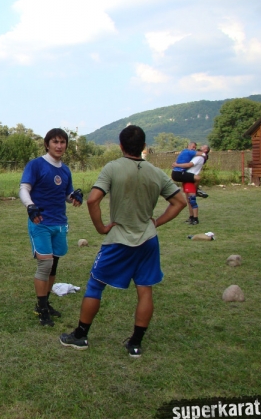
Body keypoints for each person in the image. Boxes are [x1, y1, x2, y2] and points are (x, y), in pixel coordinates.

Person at [60, 125, 186, 357]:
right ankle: (135, 344)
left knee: (95, 285)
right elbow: (180, 202)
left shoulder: (112, 168)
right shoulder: (156, 172)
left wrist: (101, 228)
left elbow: (93, 200)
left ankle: (80, 336)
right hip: (148, 240)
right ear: (144, 146)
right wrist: (155, 222)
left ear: (120, 146)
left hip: (118, 239)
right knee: (145, 290)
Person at [20, 128, 83, 327]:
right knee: (45, 265)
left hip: (60, 223)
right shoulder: (36, 164)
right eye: (55, 142)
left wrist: (74, 197)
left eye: (62, 142)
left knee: (54, 265)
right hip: (40, 222)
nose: (59, 145)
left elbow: (66, 194)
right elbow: (24, 189)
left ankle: (45, 303)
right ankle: (41, 308)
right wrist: (30, 206)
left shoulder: (65, 170)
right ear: (47, 144)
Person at [172, 145, 210, 225]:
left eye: (203, 146)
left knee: (192, 200)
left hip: (190, 179)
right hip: (187, 177)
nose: (201, 146)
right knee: (189, 200)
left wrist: (177, 165)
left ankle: (195, 219)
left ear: (206, 150)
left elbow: (189, 165)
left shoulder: (199, 157)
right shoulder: (198, 156)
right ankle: (191, 217)